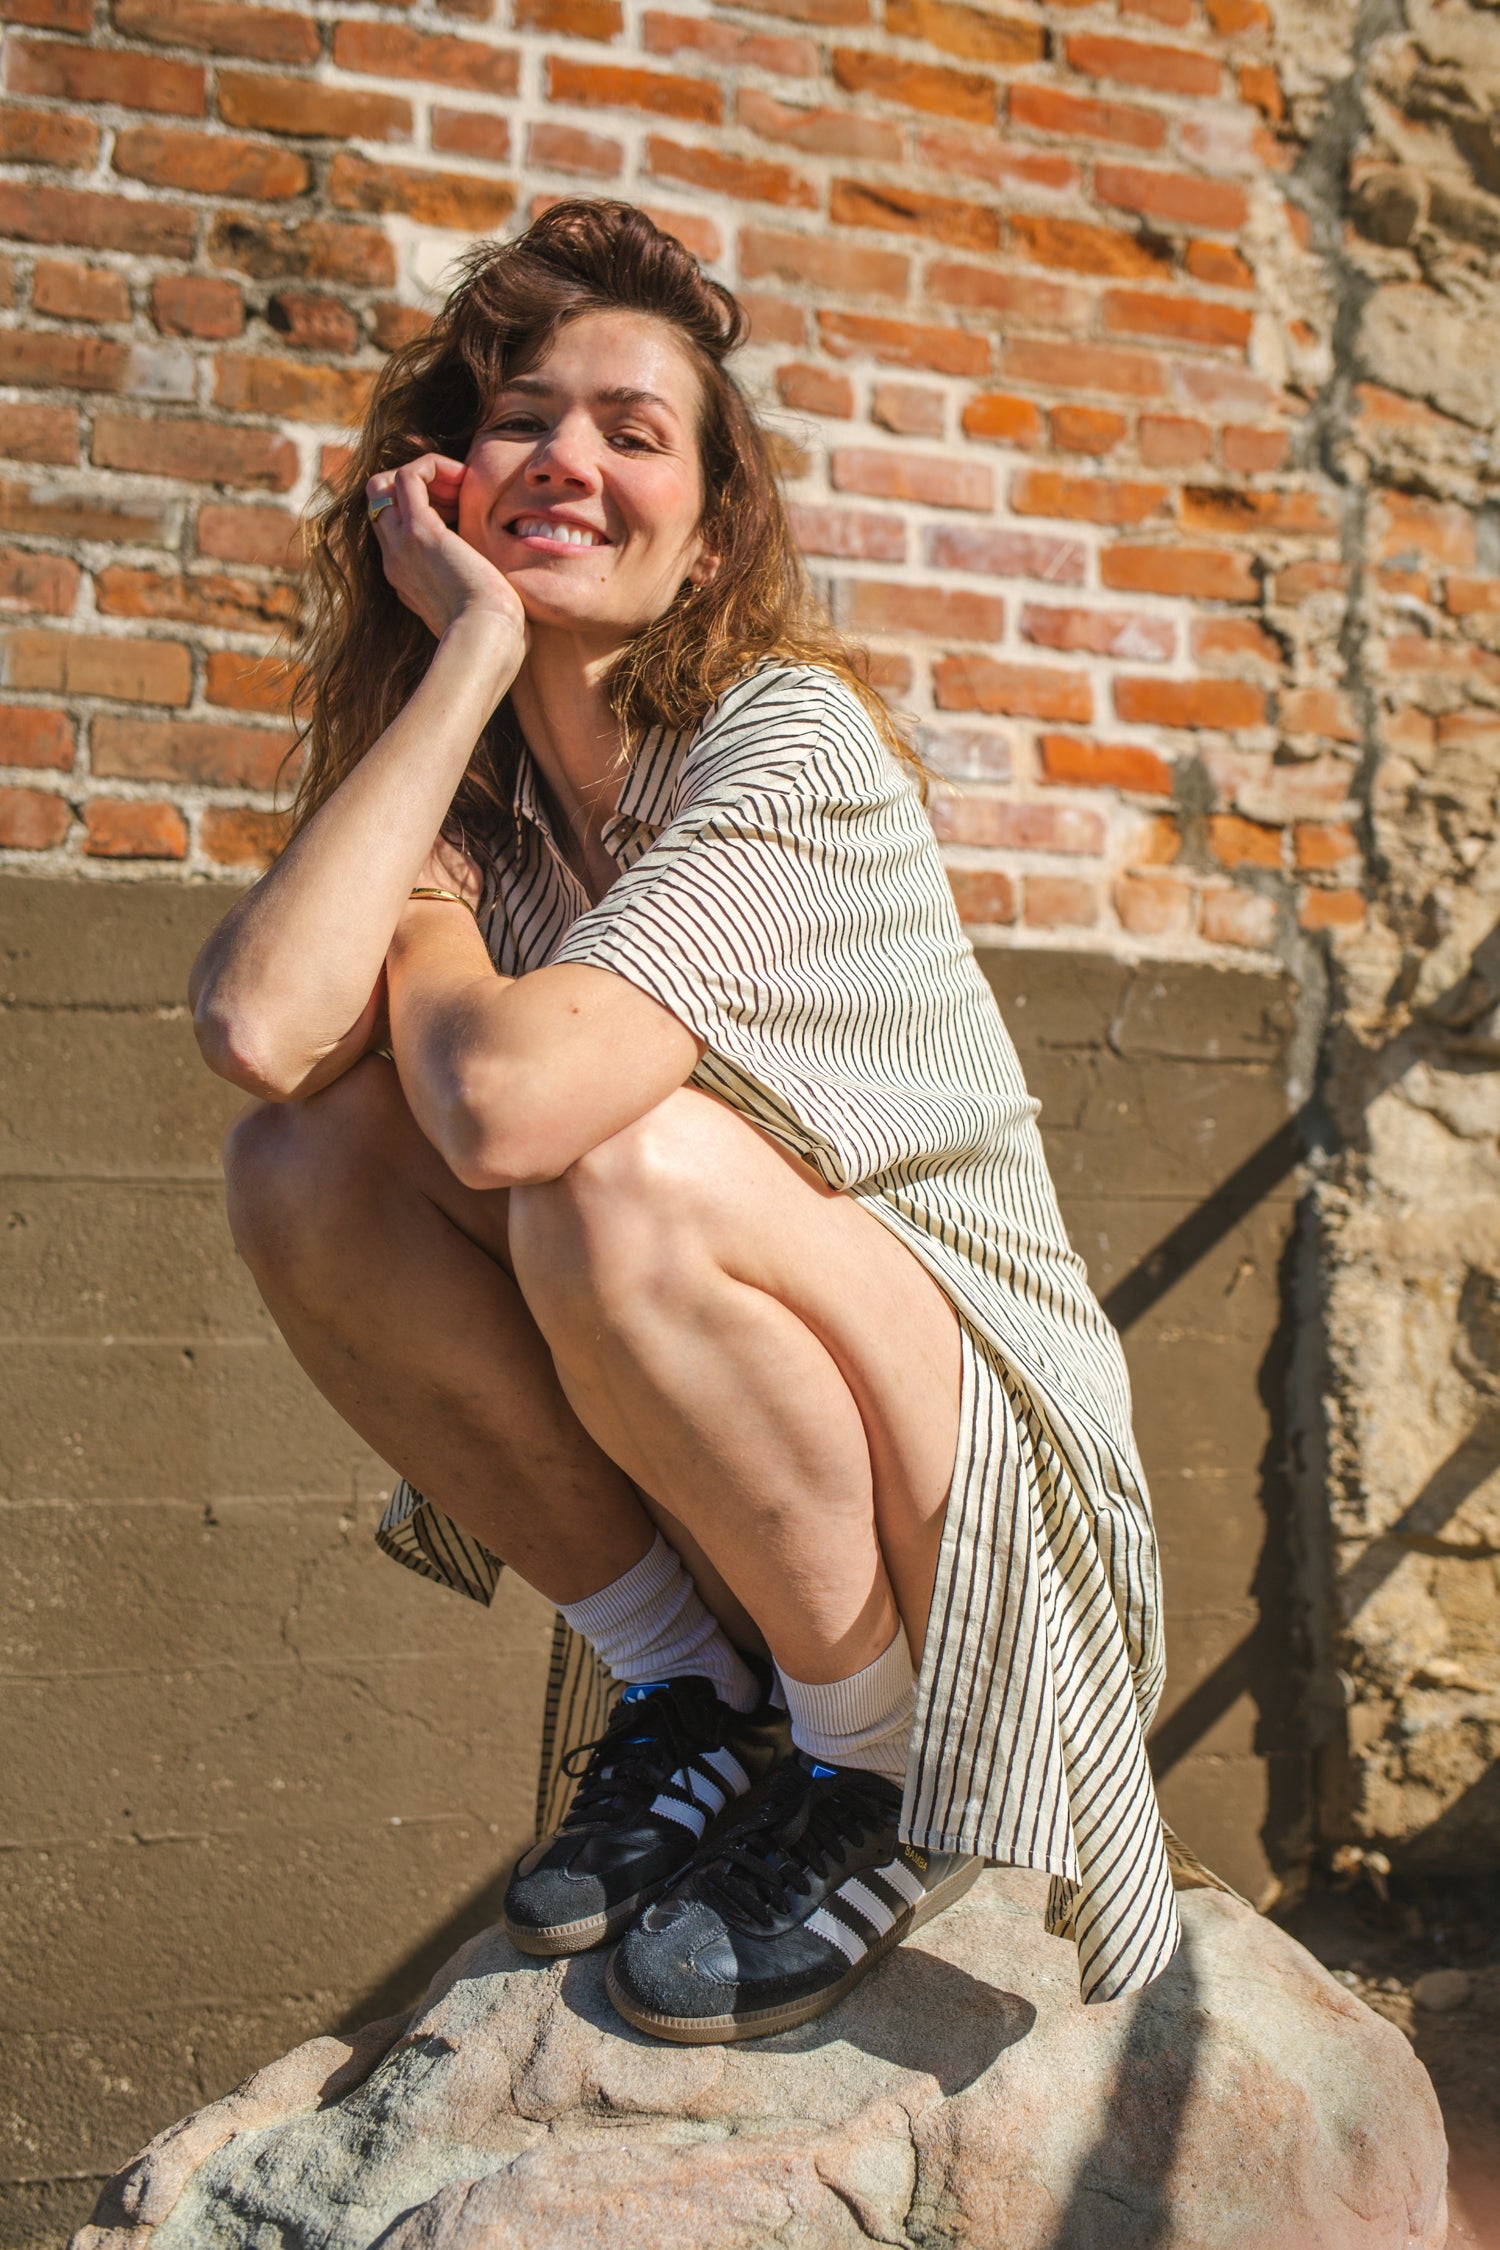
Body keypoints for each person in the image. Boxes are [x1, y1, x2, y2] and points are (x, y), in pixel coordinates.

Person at [189, 198, 1180, 2044]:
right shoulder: (476, 813)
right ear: (444, 480)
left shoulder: (786, 740)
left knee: (605, 1168)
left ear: (712, 537)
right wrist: (465, 667)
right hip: (729, 1403)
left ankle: (879, 1769)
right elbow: (260, 1029)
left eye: (633, 433)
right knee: (303, 1168)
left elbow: (504, 1101)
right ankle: (700, 1705)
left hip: (971, 1455)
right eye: (520, 418)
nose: (565, 458)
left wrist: (447, 904)